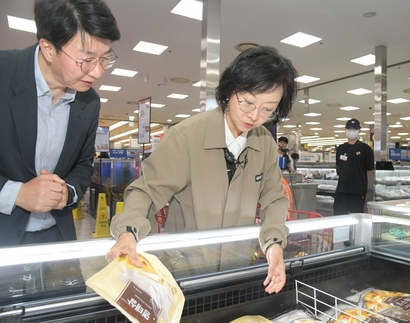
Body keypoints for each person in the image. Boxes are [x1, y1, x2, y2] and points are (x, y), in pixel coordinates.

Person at [107, 46, 298, 294]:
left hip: (235, 269)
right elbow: (147, 191)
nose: (254, 116)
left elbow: (273, 198)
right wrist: (128, 232)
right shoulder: (185, 137)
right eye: (248, 103)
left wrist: (274, 246)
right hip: (183, 271)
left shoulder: (264, 144)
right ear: (230, 91)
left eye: (267, 110)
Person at [0, 0, 121, 246]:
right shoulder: (4, 74)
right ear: (47, 48)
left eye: (105, 58)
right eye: (86, 60)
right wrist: (16, 193)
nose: (97, 72)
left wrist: (68, 193)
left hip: (57, 236)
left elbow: (83, 164)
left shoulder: (89, 101)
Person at [333, 118, 374, 215]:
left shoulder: (365, 149)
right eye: (349, 128)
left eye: (354, 129)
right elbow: (339, 167)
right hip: (341, 190)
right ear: (345, 130)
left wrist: (358, 178)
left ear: (359, 131)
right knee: (339, 216)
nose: (352, 131)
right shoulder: (341, 148)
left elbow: (370, 169)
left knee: (355, 218)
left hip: (357, 191)